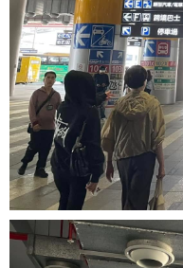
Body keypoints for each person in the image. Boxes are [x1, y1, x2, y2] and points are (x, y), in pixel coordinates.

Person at [101, 64, 166, 209]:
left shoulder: (119, 104)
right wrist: (161, 165)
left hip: (122, 157)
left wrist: (109, 162)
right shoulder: (153, 104)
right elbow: (157, 137)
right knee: (139, 199)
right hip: (144, 157)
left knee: (127, 197)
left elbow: (109, 135)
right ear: (145, 81)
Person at [51, 70, 105, 210]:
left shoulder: (63, 107)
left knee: (64, 199)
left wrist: (102, 97)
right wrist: (96, 175)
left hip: (58, 164)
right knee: (74, 206)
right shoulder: (90, 113)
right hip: (77, 168)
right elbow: (93, 145)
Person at [19, 69, 61, 178]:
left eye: (52, 78)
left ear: (55, 80)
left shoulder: (56, 95)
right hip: (37, 126)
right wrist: (35, 122)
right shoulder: (37, 93)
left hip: (50, 127)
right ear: (44, 79)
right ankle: (25, 162)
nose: (50, 80)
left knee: (46, 148)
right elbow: (31, 109)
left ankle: (40, 168)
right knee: (34, 146)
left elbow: (60, 109)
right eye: (48, 77)